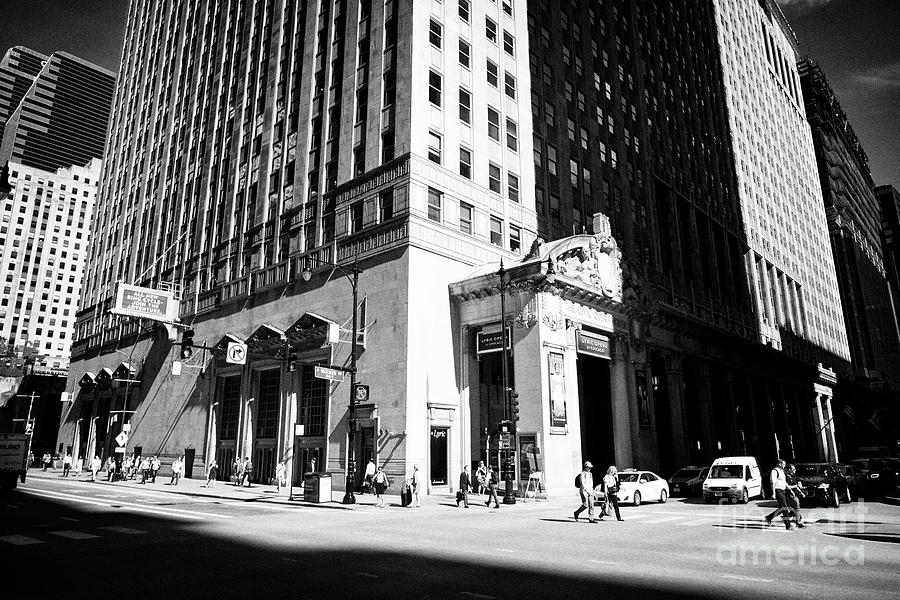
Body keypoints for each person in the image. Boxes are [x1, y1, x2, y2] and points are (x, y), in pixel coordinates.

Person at [765, 460, 795, 530]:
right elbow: (773, 483)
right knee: (785, 508)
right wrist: (773, 494)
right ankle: (788, 525)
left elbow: (784, 483)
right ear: (779, 464)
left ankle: (769, 517)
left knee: (783, 508)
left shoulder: (782, 471)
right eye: (783, 464)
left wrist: (790, 491)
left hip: (783, 490)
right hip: (778, 491)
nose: (784, 465)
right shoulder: (774, 471)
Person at [785, 463, 806, 528]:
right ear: (789, 470)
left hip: (795, 494)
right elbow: (787, 486)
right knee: (797, 507)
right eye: (793, 469)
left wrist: (801, 492)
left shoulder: (793, 476)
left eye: (794, 469)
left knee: (794, 509)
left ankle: (787, 516)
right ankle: (798, 522)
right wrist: (796, 486)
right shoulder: (787, 477)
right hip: (790, 494)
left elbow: (796, 486)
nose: (795, 470)